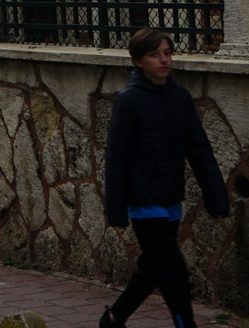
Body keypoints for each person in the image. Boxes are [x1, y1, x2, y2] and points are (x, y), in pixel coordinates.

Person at [101, 28, 229, 328]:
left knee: (152, 267)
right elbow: (116, 158)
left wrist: (216, 197)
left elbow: (199, 149)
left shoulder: (179, 97)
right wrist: (116, 208)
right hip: (143, 202)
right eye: (154, 54)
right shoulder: (129, 101)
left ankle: (113, 318)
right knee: (173, 270)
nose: (163, 60)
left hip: (171, 198)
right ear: (138, 61)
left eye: (167, 53)